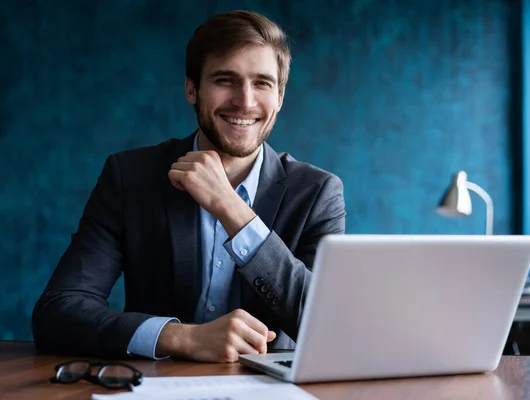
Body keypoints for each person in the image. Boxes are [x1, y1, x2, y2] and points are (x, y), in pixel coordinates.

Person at [31, 10, 346, 363]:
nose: (245, 101)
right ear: (192, 89)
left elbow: (330, 327)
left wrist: (232, 209)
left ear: (280, 98)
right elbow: (58, 312)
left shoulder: (318, 193)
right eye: (226, 80)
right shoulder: (130, 177)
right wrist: (180, 337)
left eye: (262, 83)